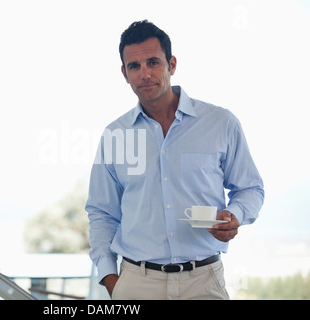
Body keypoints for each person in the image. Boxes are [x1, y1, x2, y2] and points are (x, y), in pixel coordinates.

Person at [85, 20, 264, 300]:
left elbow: (251, 188)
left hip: (203, 282)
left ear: (172, 64)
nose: (144, 74)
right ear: (124, 73)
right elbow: (101, 213)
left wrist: (236, 216)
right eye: (134, 66)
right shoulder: (114, 135)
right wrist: (111, 281)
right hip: (136, 284)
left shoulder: (220, 123)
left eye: (153, 62)